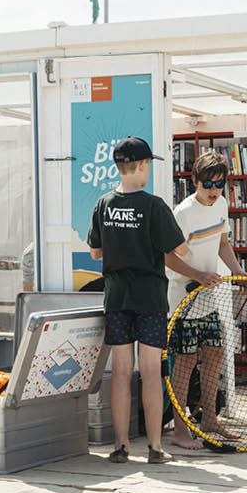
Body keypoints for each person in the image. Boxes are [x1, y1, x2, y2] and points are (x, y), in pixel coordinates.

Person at [87, 136, 219, 465]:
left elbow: (95, 251)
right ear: (144, 165)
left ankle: (120, 447)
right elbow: (179, 250)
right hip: (150, 299)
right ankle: (155, 448)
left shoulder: (103, 203)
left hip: (117, 297)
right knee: (149, 371)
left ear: (119, 167)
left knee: (120, 372)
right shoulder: (154, 205)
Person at [165, 151, 246, 450]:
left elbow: (223, 242)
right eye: (208, 184)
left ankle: (210, 420)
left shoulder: (221, 204)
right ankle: (179, 429)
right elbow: (168, 258)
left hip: (208, 298)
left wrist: (237, 271)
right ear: (194, 181)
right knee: (185, 362)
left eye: (219, 184)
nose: (214, 191)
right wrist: (198, 275)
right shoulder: (183, 213)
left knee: (215, 354)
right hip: (183, 301)